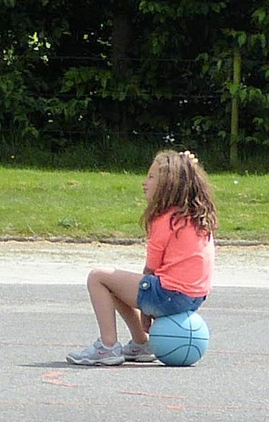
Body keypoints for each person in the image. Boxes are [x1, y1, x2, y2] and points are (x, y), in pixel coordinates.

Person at [66, 148, 217, 366]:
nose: (144, 182)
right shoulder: (195, 216)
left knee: (98, 277)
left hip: (169, 294)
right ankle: (141, 343)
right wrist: (187, 165)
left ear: (168, 184)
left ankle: (107, 347)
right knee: (115, 284)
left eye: (152, 177)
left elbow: (151, 268)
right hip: (194, 297)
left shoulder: (165, 219)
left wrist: (146, 311)